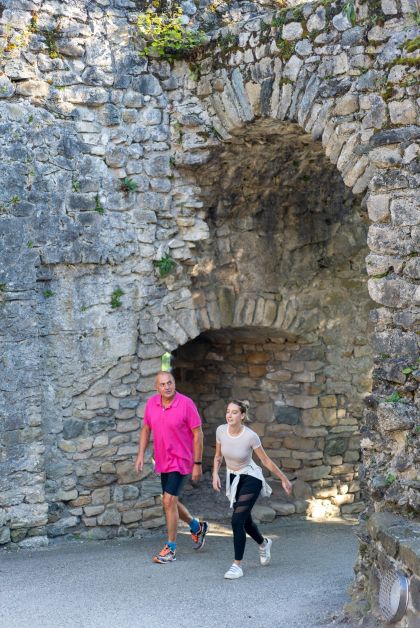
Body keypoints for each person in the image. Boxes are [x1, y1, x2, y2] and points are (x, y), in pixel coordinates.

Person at [212, 400, 292, 579]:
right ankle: (264, 543)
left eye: (234, 412)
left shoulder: (250, 436)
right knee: (245, 522)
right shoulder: (220, 431)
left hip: (251, 477)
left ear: (242, 416)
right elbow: (218, 456)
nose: (229, 415)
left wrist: (283, 478)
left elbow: (265, 460)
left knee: (236, 520)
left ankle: (236, 565)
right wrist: (215, 474)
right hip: (233, 478)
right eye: (228, 411)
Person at [135, 371, 208, 564]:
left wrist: (197, 463)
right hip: (163, 460)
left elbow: (198, 434)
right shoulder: (152, 403)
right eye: (162, 384)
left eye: (170, 383)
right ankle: (196, 527)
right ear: (156, 387)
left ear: (174, 384)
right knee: (169, 503)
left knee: (168, 501)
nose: (167, 387)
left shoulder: (186, 404)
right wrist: (141, 454)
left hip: (182, 459)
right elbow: (146, 428)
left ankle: (171, 549)